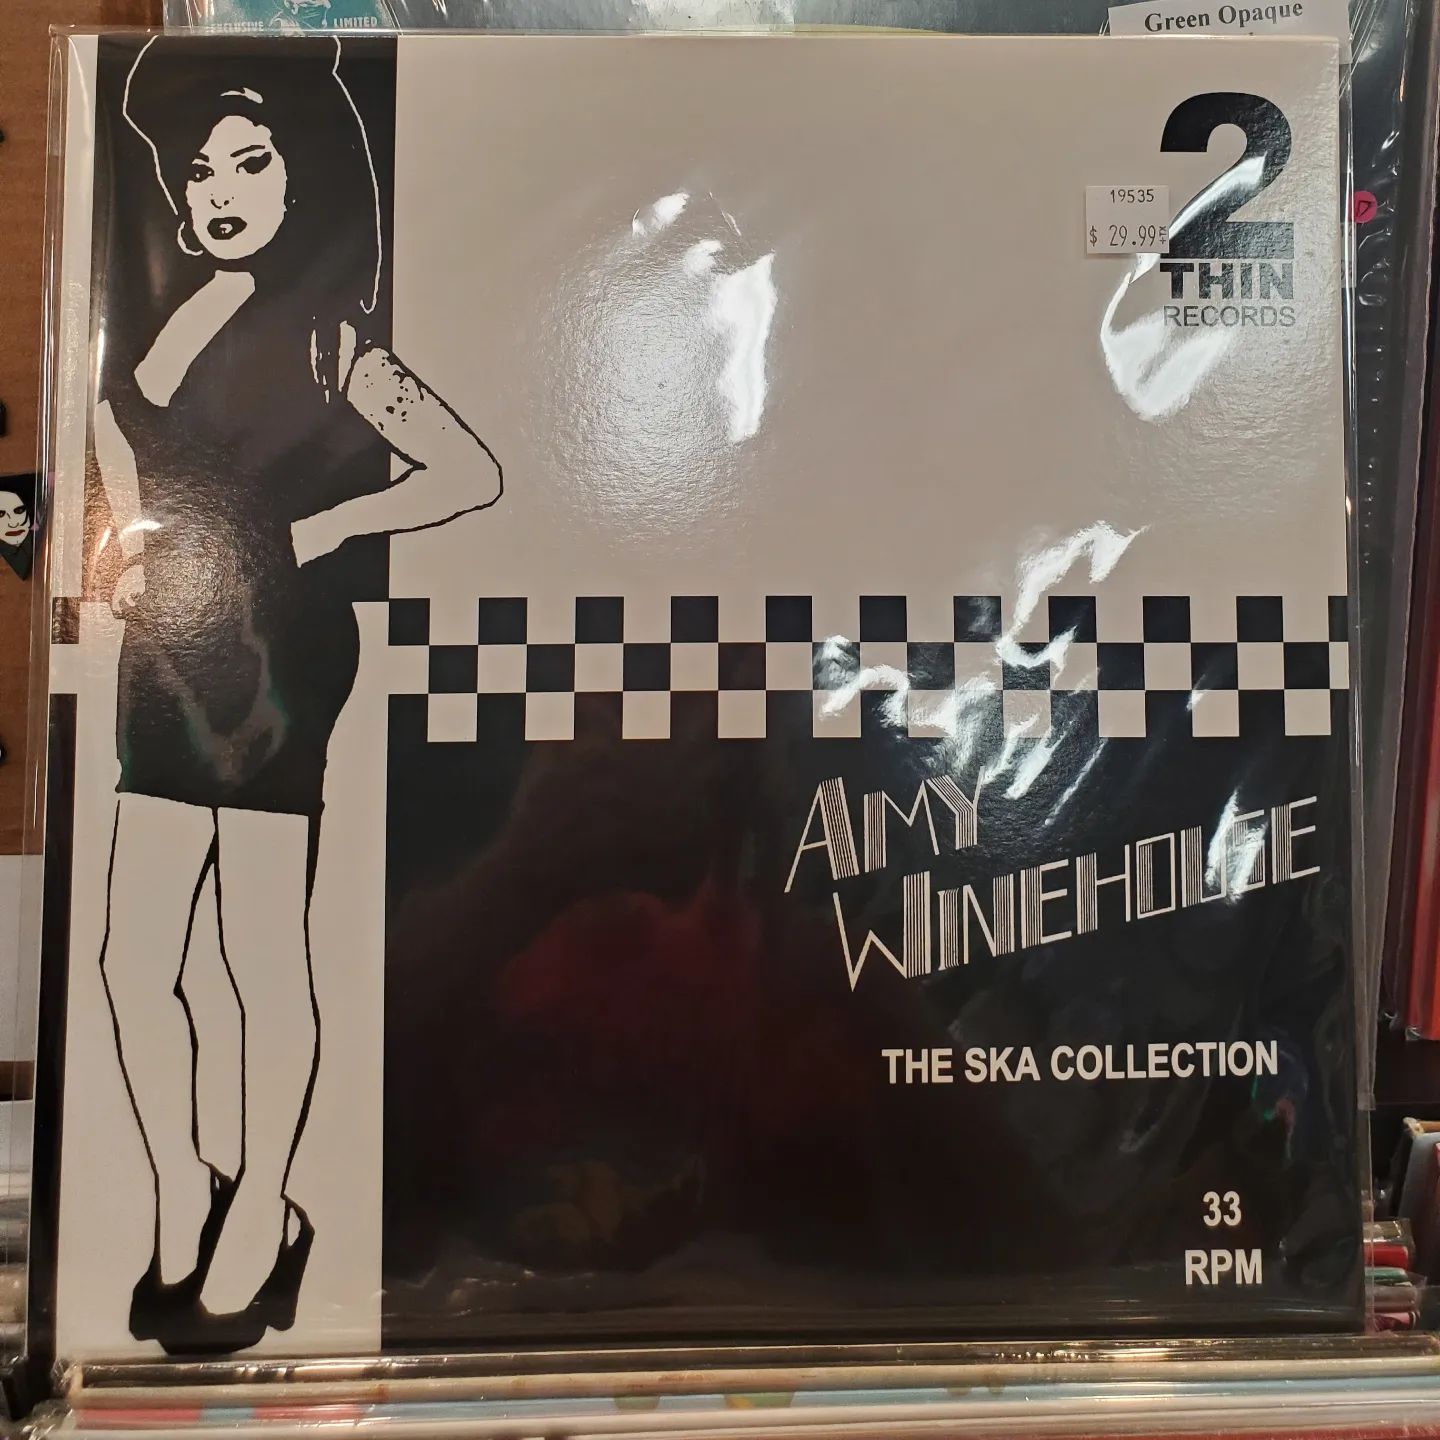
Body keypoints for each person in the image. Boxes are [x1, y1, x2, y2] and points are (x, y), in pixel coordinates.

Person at [95, 36, 500, 1354]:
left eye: (251, 164)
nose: (219, 190)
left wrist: (317, 535)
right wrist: (124, 545)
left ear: (303, 178)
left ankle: (264, 1207)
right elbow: (121, 435)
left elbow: (467, 471)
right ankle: (183, 1194)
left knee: (260, 951)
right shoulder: (159, 310)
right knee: (131, 959)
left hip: (281, 659)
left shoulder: (339, 345)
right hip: (166, 645)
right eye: (201, 170)